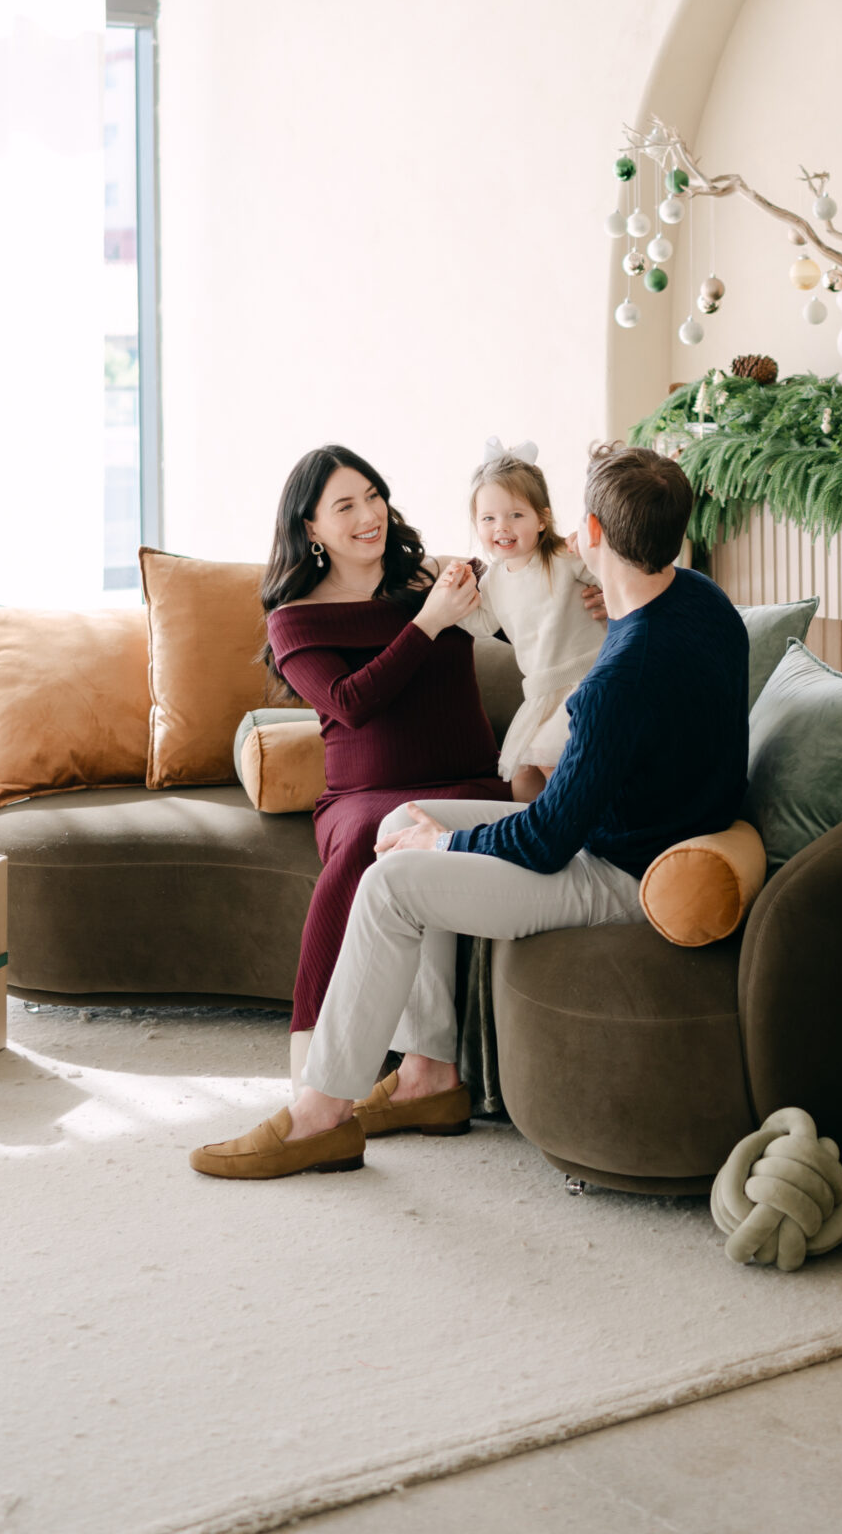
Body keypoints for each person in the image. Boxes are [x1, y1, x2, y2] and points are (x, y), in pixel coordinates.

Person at [190, 442, 749, 1179]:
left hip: (615, 869)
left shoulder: (616, 679)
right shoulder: (703, 603)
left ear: (583, 531)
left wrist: (448, 847)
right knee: (397, 824)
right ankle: (429, 1076)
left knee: (391, 878)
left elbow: (549, 838)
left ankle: (319, 1114)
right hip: (637, 834)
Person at [261, 444, 516, 1071]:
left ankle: (429, 1073)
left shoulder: (435, 579)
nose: (368, 514)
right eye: (345, 505)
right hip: (362, 798)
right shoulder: (295, 620)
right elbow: (350, 703)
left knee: (420, 825)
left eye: (373, 495)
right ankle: (312, 1060)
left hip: (470, 783)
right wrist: (427, 623)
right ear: (311, 528)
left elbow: (534, 624)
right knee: (371, 837)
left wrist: (581, 602)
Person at [463, 439, 606, 802]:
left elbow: (611, 576)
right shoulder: (493, 580)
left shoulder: (563, 557)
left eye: (516, 515)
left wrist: (609, 597)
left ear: (541, 519)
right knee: (523, 775)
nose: (502, 527)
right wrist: (456, 598)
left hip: (584, 678)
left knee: (552, 761)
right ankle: (527, 841)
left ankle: (580, 829)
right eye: (489, 518)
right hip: (542, 692)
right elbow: (481, 624)